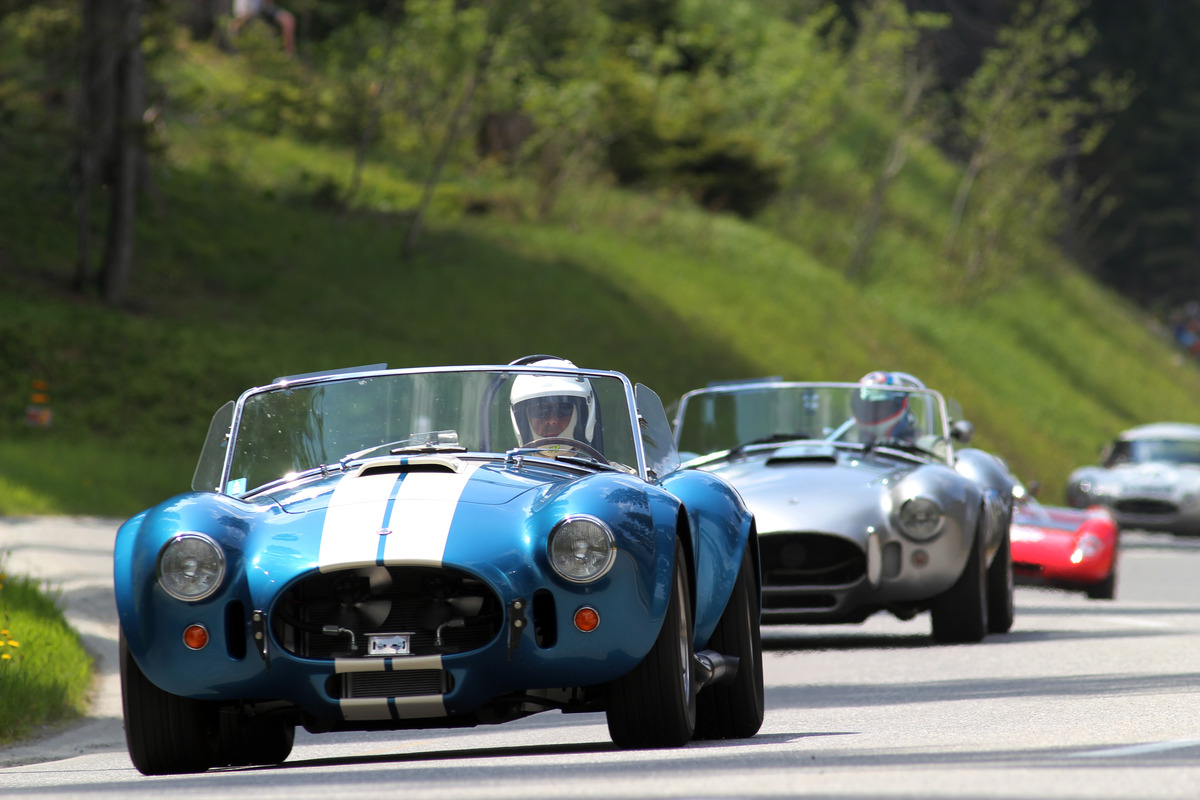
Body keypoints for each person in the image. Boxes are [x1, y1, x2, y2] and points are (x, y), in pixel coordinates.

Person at [509, 358, 598, 457]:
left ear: (582, 416)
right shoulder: (502, 470)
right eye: (540, 413)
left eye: (562, 411)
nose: (551, 420)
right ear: (523, 421)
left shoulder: (611, 471)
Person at [850, 370, 924, 443]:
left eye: (881, 405)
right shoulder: (850, 440)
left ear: (897, 404)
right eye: (867, 407)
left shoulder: (919, 441)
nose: (873, 412)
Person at [230, 0, 296, 55]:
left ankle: (288, 54)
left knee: (288, 21)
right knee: (236, 26)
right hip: (250, 17)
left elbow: (268, 6)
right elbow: (241, 16)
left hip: (265, 11)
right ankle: (238, 53)